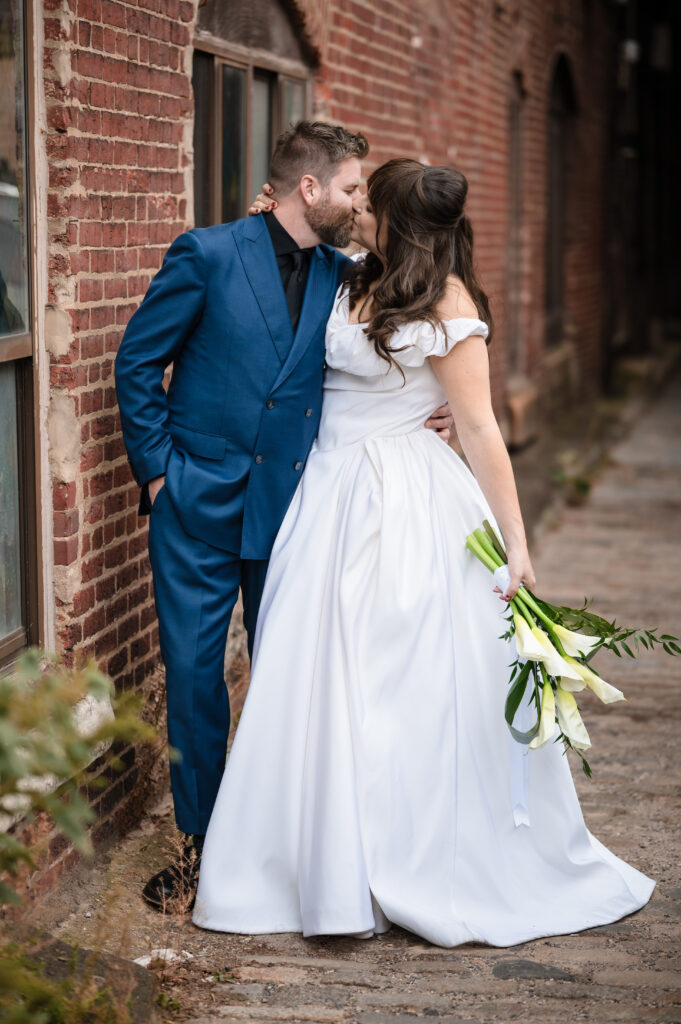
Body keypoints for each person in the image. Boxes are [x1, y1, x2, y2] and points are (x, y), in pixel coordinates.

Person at [192, 159, 654, 946]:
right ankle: (308, 863)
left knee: (397, 680)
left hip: (402, 502)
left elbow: (477, 428)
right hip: (325, 495)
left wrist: (516, 544)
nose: (355, 210)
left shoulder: (448, 302)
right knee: (309, 674)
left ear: (398, 222)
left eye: (368, 204)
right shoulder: (349, 275)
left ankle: (400, 856)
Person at [114, 124, 452, 911]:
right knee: (197, 679)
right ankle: (200, 854)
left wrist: (455, 412)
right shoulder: (205, 253)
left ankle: (289, 850)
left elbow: (445, 307)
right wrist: (160, 473)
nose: (358, 202)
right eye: (349, 189)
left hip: (298, 512)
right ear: (310, 189)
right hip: (195, 502)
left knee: (291, 685)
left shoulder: (349, 275)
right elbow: (137, 361)